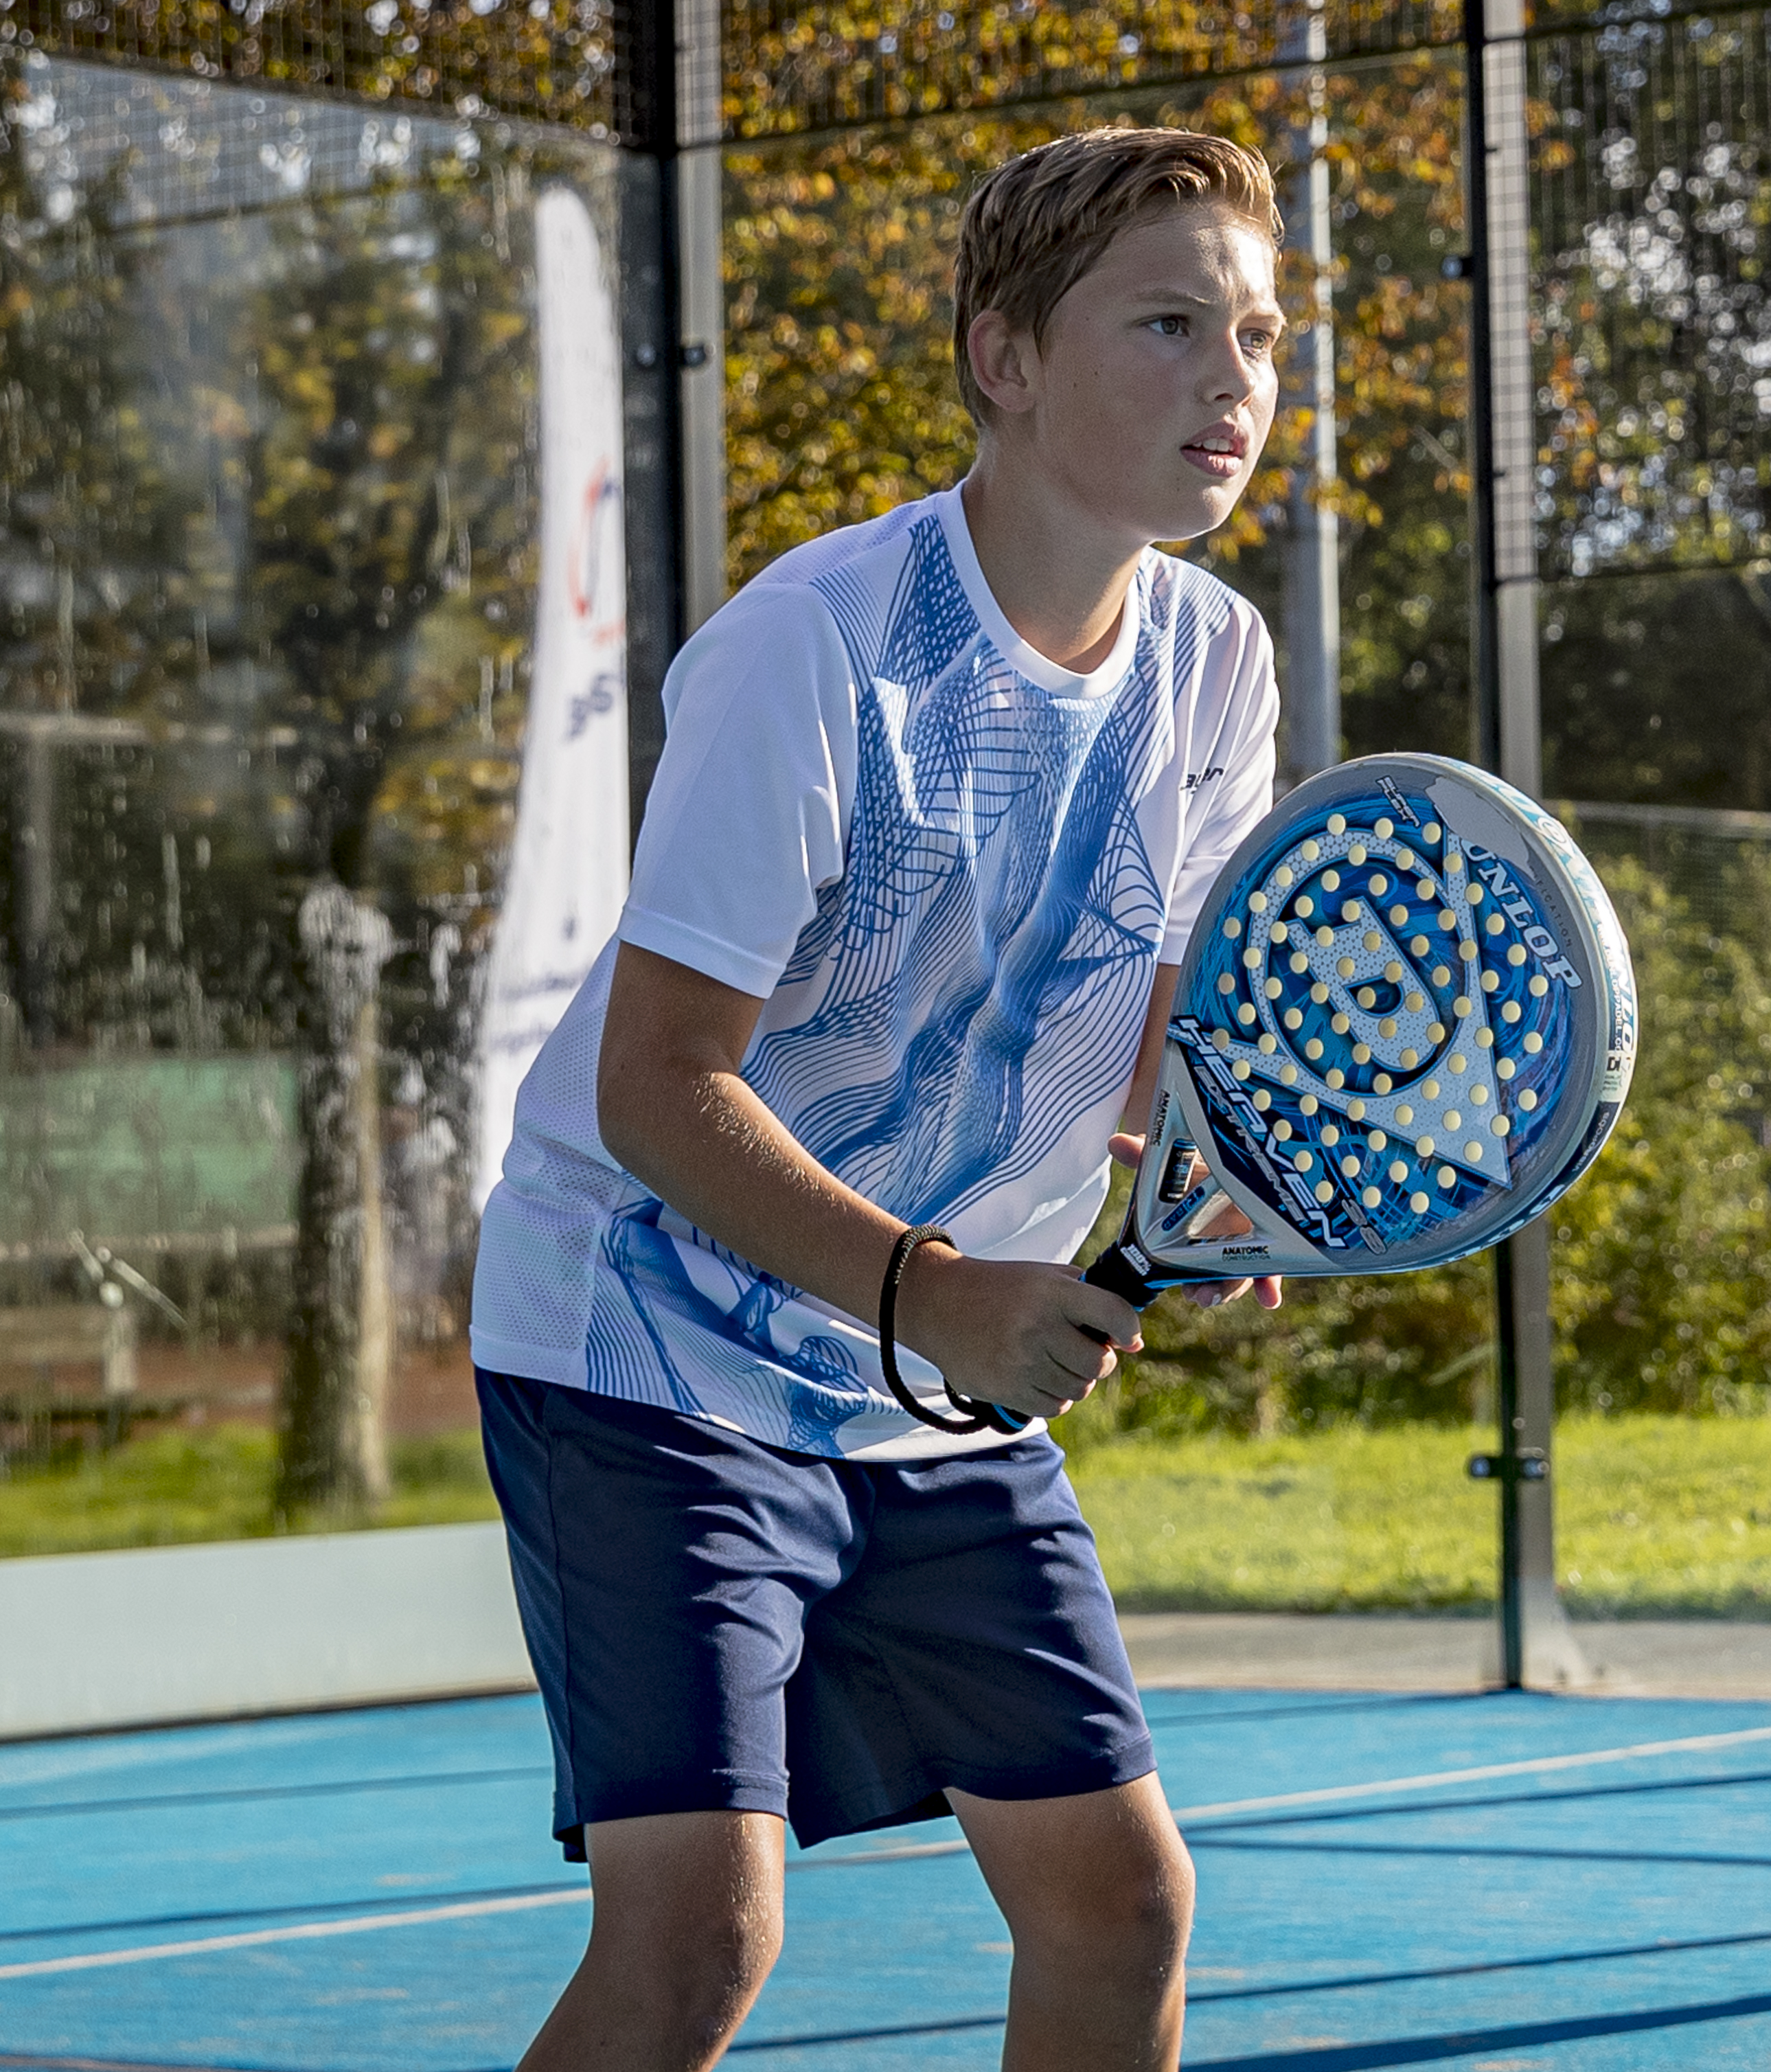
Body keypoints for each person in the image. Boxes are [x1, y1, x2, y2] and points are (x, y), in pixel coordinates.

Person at [466, 127, 1290, 2071]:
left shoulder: (1219, 664)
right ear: (1004, 361)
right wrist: (940, 1296)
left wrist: (1223, 1181)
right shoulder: (814, 645)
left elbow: (1170, 1030)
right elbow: (657, 1088)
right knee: (699, 1938)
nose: (1234, 378)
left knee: (1119, 1901)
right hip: (644, 1344)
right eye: (1168, 324)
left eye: (1255, 331)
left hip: (929, 1380)